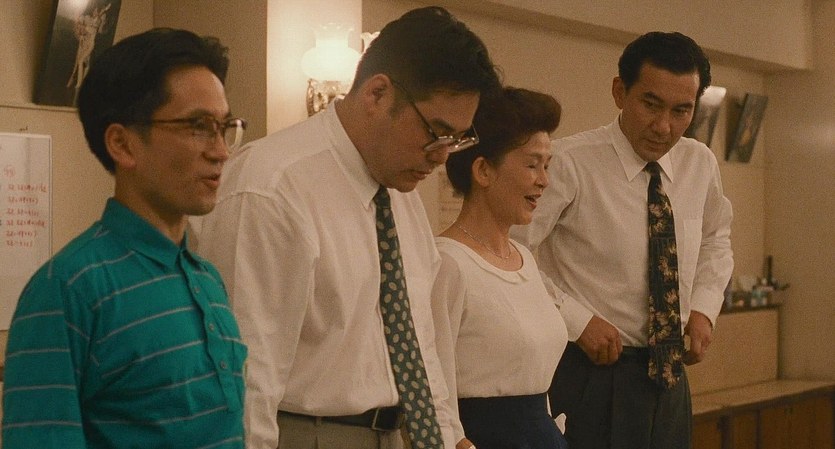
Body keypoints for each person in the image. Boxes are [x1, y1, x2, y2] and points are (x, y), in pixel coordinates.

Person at [194, 6, 501, 449]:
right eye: (436, 132)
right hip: (308, 435)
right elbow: (246, 375)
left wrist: (448, 437)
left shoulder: (401, 195)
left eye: (457, 139)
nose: (442, 156)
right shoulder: (272, 187)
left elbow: (419, 341)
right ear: (377, 94)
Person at [1, 28, 248, 449]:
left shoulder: (206, 278)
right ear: (122, 144)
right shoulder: (68, 289)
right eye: (198, 126)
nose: (221, 151)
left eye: (224, 127)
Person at [512, 31, 733, 448]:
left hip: (669, 374)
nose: (663, 126)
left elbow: (715, 240)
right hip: (590, 369)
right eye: (651, 105)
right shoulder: (570, 163)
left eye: (681, 111)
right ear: (619, 92)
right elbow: (508, 252)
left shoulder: (699, 163)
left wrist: (704, 309)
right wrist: (576, 320)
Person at [431, 87, 568, 449]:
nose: (544, 180)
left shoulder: (525, 258)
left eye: (547, 165)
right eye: (532, 165)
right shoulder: (448, 263)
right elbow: (432, 385)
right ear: (483, 170)